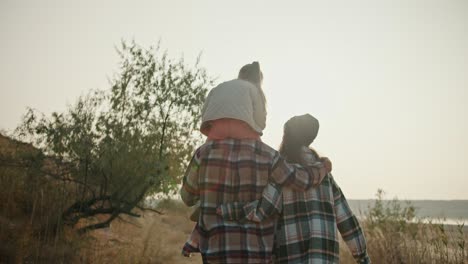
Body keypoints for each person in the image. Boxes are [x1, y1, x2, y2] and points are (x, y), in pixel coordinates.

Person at [217, 114, 371, 264]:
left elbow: (262, 211)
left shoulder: (281, 176)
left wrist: (228, 210)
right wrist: (362, 257)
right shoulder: (325, 178)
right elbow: (347, 221)